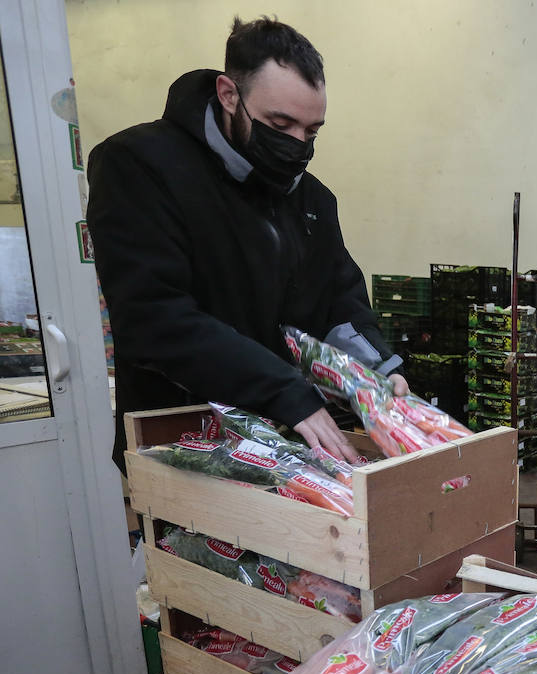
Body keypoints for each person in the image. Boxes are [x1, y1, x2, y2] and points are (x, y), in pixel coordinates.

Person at [88, 16, 404, 469]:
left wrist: (376, 372)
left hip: (288, 443)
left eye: (311, 132)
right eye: (281, 124)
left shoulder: (311, 198)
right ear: (228, 94)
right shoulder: (139, 166)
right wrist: (284, 391)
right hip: (188, 445)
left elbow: (339, 300)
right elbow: (154, 318)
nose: (298, 146)